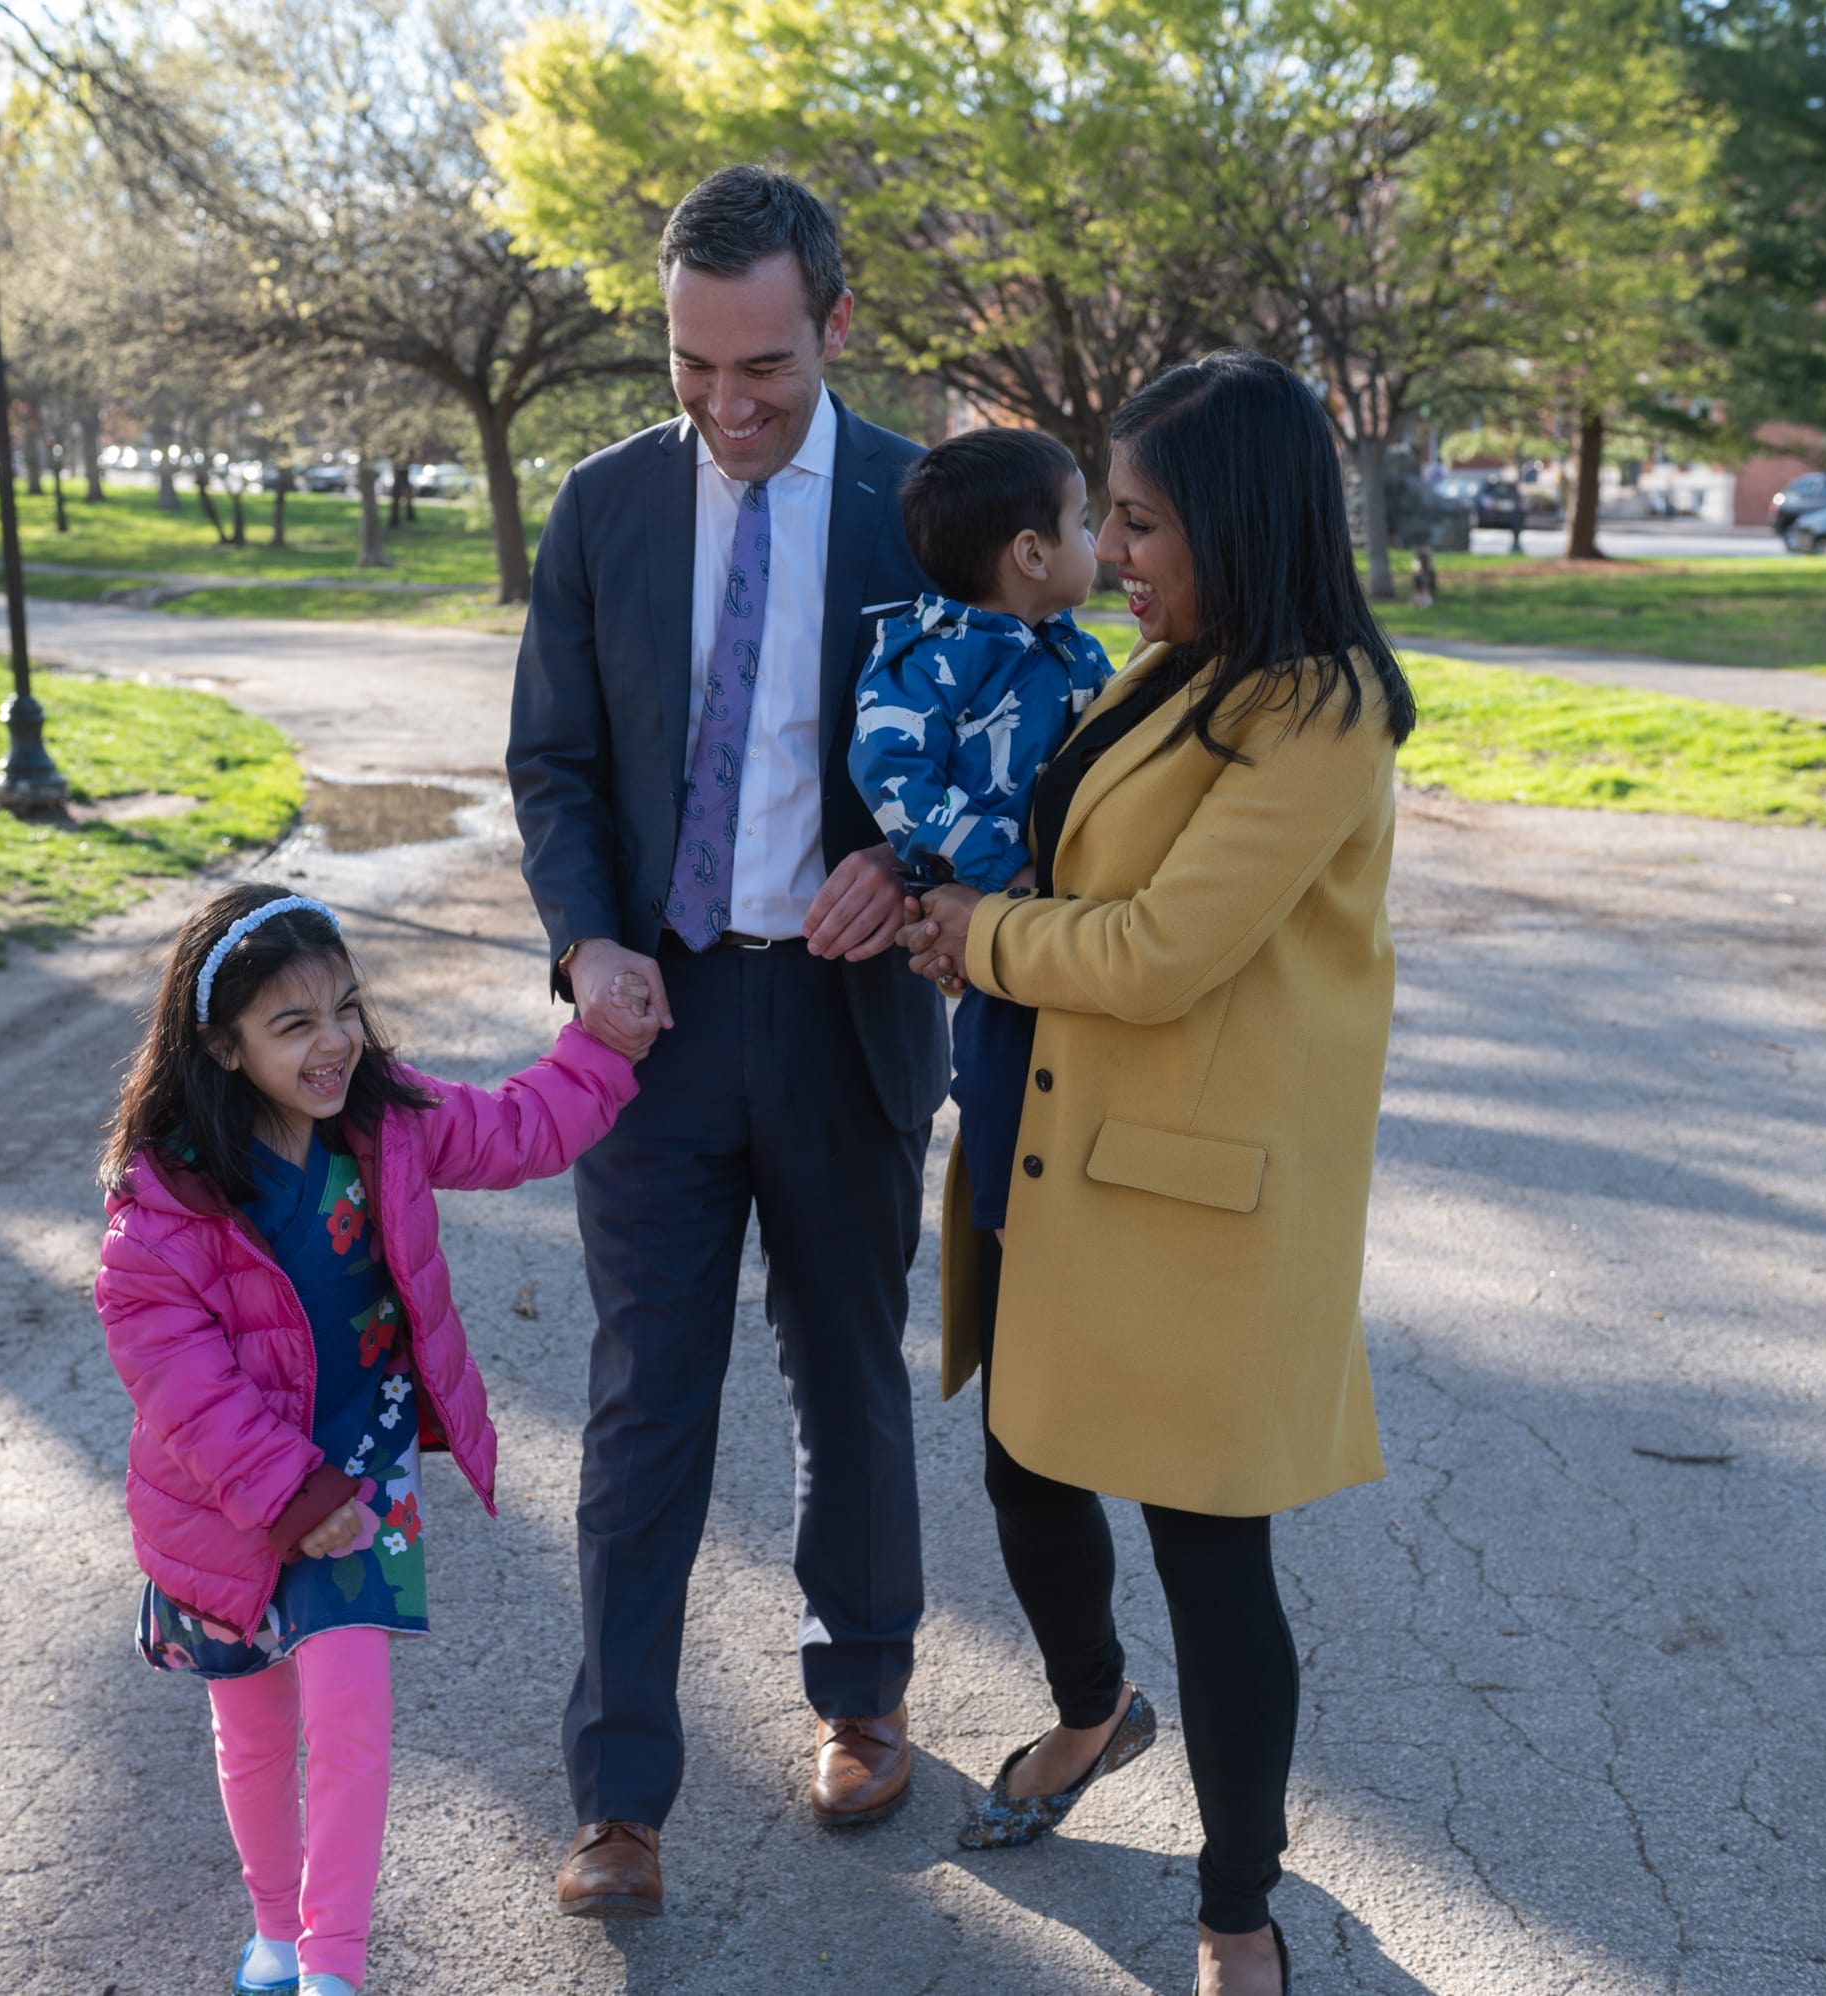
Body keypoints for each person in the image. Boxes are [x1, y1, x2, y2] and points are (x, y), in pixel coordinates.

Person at [902, 351, 1419, 1996]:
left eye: (1139, 523)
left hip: (1201, 1208)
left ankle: (1239, 1906)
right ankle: (1089, 1710)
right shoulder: (1167, 667)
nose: (1113, 553)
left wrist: (981, 939)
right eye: (1109, 521)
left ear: (1235, 520)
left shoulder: (1317, 706)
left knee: (1215, 1565)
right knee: (1026, 1473)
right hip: (1064, 1162)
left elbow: (1166, 948)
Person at [507, 163, 949, 1919]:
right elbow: (552, 761)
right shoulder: (606, 506)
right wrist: (585, 935)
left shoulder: (928, 507)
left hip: (846, 1019)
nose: (728, 403)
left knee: (846, 1371)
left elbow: (1011, 755)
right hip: (659, 1021)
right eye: (693, 366)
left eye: (761, 365)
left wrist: (906, 862)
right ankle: (619, 1793)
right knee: (642, 1403)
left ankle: (864, 1691)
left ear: (834, 325)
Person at [94, 882, 651, 1996]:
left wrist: (604, 1043)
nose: (334, 1042)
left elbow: (519, 1128)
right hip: (227, 1503)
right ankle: (276, 1935)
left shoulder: (383, 1121)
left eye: (345, 1008)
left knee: (349, 1718)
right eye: (293, 1024)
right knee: (253, 1729)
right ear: (221, 1044)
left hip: (361, 1474)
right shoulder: (166, 1201)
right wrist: (283, 1492)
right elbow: (179, 1381)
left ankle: (333, 1969)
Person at [848, 426, 1113, 1246]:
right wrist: (1002, 870)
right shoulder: (925, 662)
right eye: (1085, 522)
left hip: (1065, 925)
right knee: (999, 1077)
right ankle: (1008, 1230)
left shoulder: (1076, 654)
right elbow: (892, 777)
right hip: (991, 930)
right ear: (1032, 553)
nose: (1100, 542)